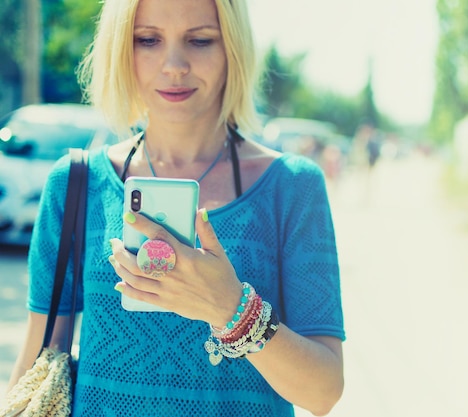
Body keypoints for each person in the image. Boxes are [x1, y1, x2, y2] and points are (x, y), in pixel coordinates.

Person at [5, 0, 345, 416]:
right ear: (120, 49)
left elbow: (323, 392)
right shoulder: (76, 183)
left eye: (200, 40)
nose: (174, 65)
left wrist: (230, 309)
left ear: (232, 50)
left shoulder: (293, 186)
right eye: (147, 39)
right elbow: (35, 367)